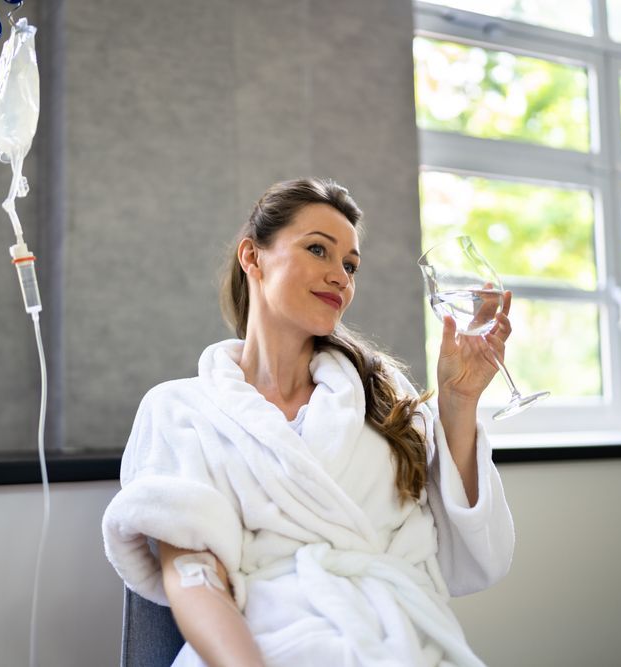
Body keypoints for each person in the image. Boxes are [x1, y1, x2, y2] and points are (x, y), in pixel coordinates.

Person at [103, 178, 515, 667]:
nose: (340, 275)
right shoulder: (180, 409)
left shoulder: (383, 397)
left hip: (403, 644)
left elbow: (465, 555)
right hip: (259, 647)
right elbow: (194, 575)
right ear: (252, 258)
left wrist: (458, 401)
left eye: (350, 265)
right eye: (318, 249)